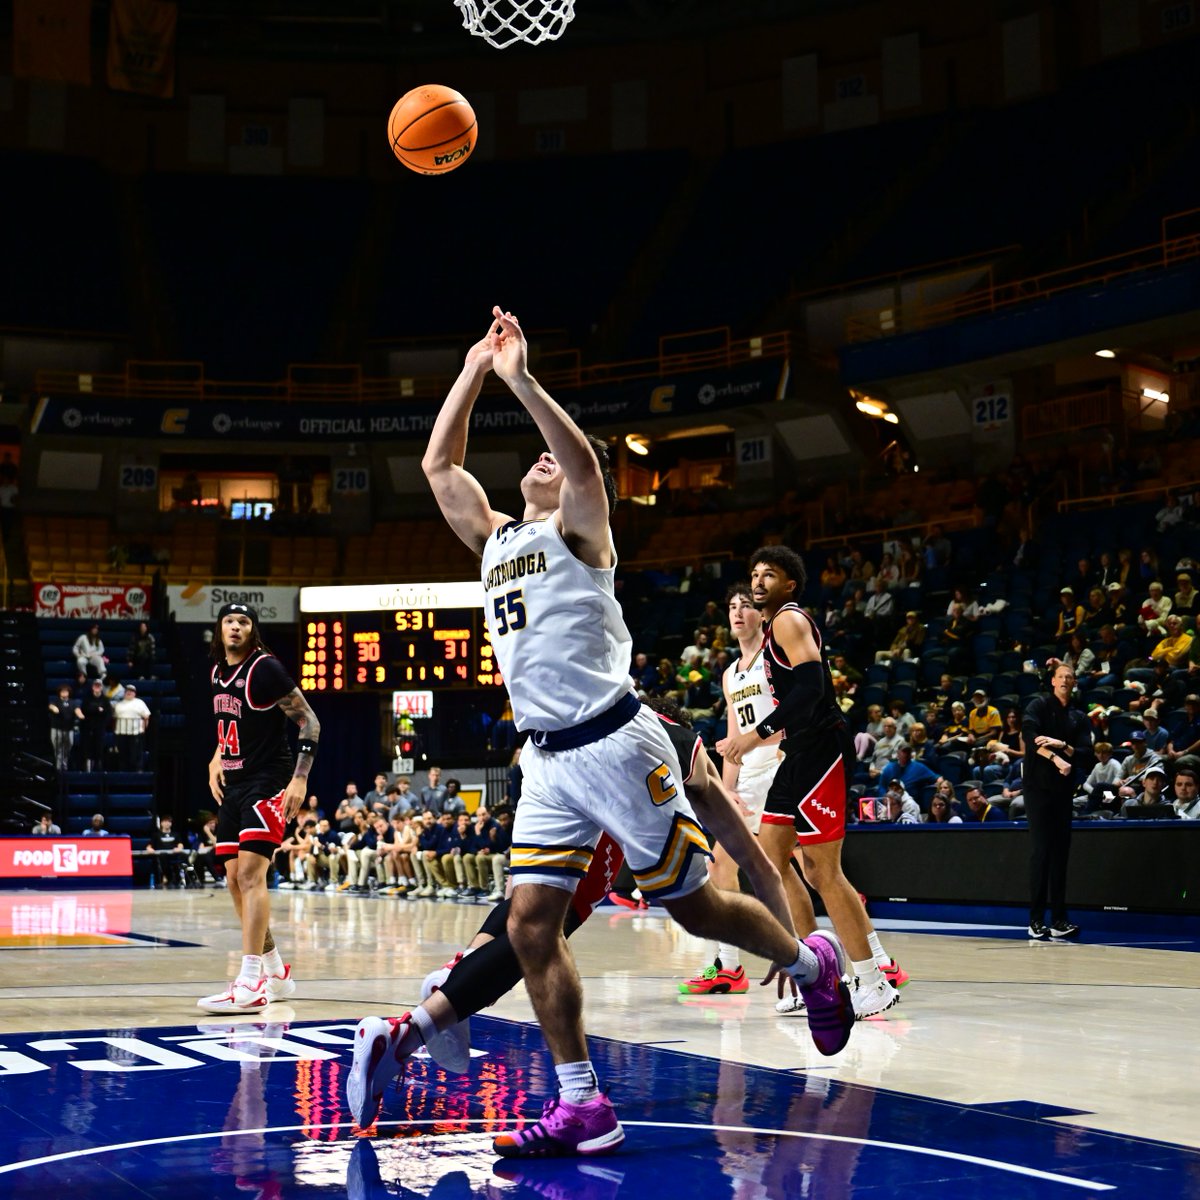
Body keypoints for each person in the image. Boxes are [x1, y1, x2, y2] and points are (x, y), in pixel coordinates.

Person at [348, 307, 854, 1157]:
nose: (545, 458)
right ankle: (582, 1104)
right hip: (546, 759)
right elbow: (438, 462)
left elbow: (580, 458)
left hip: (616, 742)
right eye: (534, 456)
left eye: (555, 456)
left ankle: (815, 967)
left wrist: (522, 380)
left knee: (695, 913)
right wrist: (474, 364)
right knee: (530, 925)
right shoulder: (494, 539)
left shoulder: (580, 530)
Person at [348, 699, 802, 1098]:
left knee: (527, 917)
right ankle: (419, 1024)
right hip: (604, 795)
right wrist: (781, 926)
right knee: (551, 931)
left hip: (549, 764)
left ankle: (457, 970)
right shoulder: (671, 735)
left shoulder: (569, 703)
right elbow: (740, 839)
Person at [718, 546, 901, 1020]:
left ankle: (872, 978)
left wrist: (752, 736)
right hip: (794, 754)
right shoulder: (768, 633)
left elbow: (812, 689)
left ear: (790, 585)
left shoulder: (788, 621)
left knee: (823, 871)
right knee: (772, 864)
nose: (757, 582)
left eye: (769, 575)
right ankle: (813, 971)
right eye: (753, 574)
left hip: (819, 748)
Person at [198, 602, 320, 1014]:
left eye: (244, 622)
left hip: (268, 780)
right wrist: (217, 755)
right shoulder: (217, 671)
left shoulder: (264, 668)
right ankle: (275, 972)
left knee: (251, 876)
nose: (236, 627)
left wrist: (299, 779)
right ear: (220, 628)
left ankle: (250, 981)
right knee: (233, 880)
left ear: (252, 630)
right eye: (229, 621)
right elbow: (233, 726)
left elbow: (309, 721)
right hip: (234, 784)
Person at [1022, 663, 1093, 940]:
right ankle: (1036, 919)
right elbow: (1030, 738)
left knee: (1061, 853)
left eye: (1069, 677)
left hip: (1064, 790)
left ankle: (1059, 919)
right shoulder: (1038, 706)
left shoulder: (1078, 717)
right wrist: (1055, 756)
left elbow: (1086, 753)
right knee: (1041, 851)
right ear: (1053, 681)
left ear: (1074, 683)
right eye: (1061, 676)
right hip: (1038, 788)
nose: (1065, 680)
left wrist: (1061, 744)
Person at [111, 683, 151, 771]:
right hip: (121, 732)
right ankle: (123, 771)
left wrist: (143, 729)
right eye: (127, 691)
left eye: (131, 691)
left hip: (135, 732)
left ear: (135, 693)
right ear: (124, 692)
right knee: (122, 753)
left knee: (135, 753)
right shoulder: (118, 704)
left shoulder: (140, 702)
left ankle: (137, 770)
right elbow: (114, 718)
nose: (129, 692)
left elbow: (146, 717)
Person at [77, 679, 110, 772]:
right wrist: (97, 710)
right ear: (92, 687)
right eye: (95, 685)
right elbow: (85, 710)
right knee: (87, 747)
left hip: (100, 728)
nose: (97, 687)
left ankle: (98, 767)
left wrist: (102, 720)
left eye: (99, 686)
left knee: (99, 747)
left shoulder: (105, 700)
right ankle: (87, 768)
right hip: (87, 728)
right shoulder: (87, 698)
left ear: (101, 687)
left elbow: (107, 713)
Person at [47, 684, 81, 772]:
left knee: (68, 746)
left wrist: (80, 714)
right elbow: (51, 706)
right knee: (58, 748)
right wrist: (54, 708)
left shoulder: (73, 702)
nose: (64, 693)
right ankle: (58, 767)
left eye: (66, 691)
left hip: (68, 729)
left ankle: (64, 764)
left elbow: (77, 710)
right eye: (62, 691)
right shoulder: (55, 701)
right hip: (57, 729)